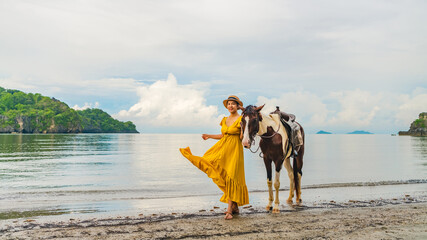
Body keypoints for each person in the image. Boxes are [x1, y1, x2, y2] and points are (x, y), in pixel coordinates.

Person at [179, 95, 249, 220]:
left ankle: (229, 211)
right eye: (228, 104)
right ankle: (235, 206)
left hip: (235, 151)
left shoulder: (242, 119)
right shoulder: (224, 119)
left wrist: (245, 127)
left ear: (238, 106)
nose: (230, 106)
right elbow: (223, 135)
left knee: (232, 177)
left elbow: (242, 137)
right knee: (209, 162)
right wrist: (209, 136)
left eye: (233, 104)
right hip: (222, 148)